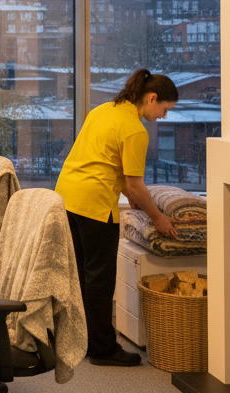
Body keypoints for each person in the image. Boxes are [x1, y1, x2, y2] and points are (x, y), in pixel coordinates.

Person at [55, 68, 179, 367]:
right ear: (151, 98)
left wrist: (134, 199)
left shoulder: (103, 111)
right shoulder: (135, 130)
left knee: (83, 275)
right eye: (164, 109)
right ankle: (102, 349)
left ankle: (82, 340)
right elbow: (134, 182)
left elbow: (110, 165)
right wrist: (158, 217)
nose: (164, 116)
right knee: (99, 279)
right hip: (94, 204)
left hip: (67, 196)